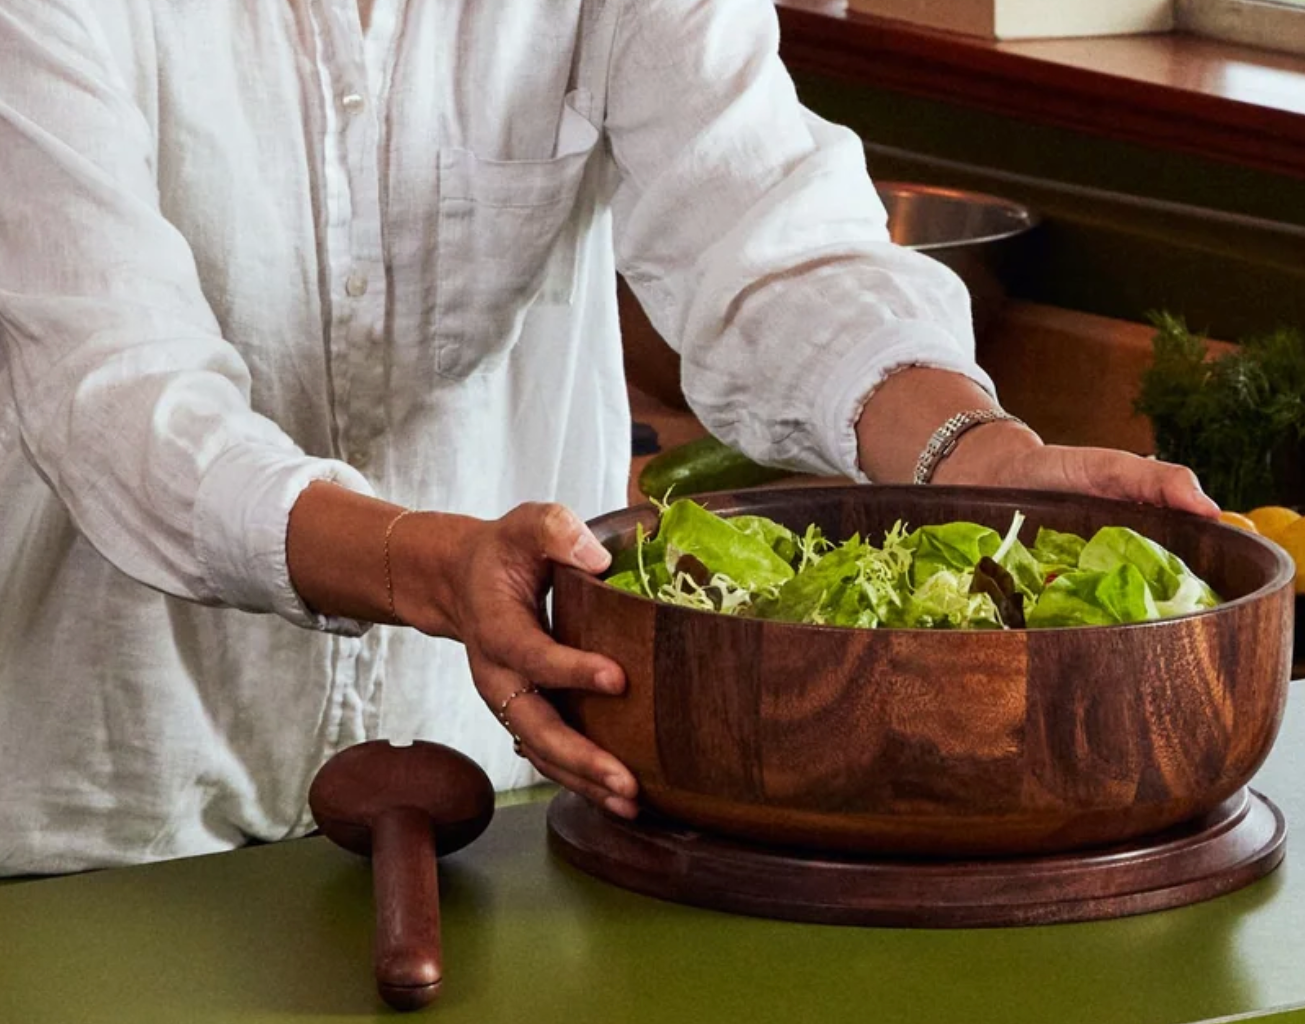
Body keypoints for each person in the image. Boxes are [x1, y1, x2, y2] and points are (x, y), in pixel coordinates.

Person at [0, 0, 1216, 876]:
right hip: (116, 814)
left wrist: (974, 452)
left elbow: (771, 241)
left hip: (526, 800)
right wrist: (433, 564)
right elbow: (121, 393)